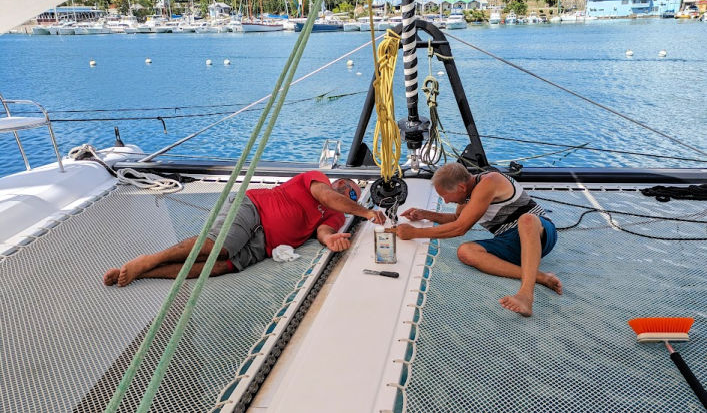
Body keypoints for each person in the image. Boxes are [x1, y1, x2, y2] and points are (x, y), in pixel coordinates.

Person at [104, 171, 385, 287]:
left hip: (264, 245)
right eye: (348, 192)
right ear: (337, 184)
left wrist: (332, 240)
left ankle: (147, 272)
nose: (348, 198)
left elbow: (325, 232)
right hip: (254, 209)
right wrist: (365, 211)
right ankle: (150, 259)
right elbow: (327, 197)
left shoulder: (336, 216)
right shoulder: (317, 181)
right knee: (218, 247)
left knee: (220, 267)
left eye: (353, 198)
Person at [388, 163, 560, 317]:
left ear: (461, 187)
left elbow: (460, 228)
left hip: (540, 234)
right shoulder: (467, 195)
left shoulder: (490, 182)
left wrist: (415, 233)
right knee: (465, 251)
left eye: (446, 196)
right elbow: (457, 219)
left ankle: (526, 295)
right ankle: (541, 277)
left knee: (526, 220)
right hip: (510, 241)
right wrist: (424, 214)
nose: (446, 200)